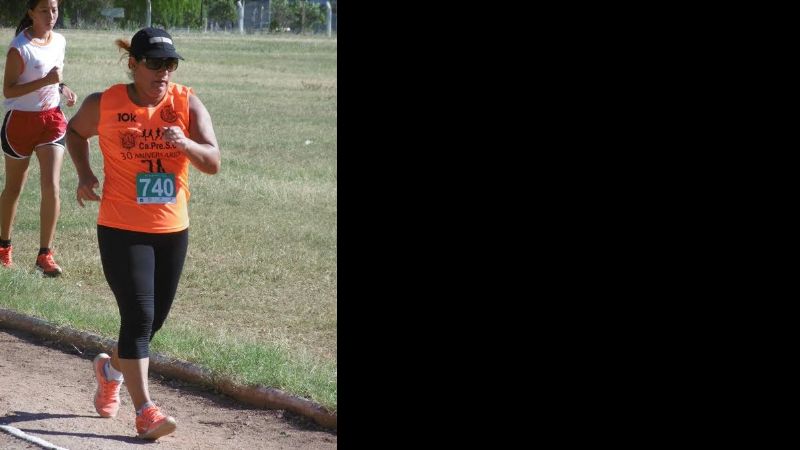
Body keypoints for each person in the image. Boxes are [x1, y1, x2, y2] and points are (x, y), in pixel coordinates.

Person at [65, 27, 221, 440]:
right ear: (132, 64)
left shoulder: (186, 102)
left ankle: (110, 369)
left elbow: (213, 161)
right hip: (120, 226)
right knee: (138, 316)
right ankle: (146, 411)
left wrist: (185, 143)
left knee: (152, 323)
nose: (163, 72)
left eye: (169, 64)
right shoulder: (105, 103)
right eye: (154, 63)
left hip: (172, 228)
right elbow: (74, 132)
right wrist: (84, 174)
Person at [0, 0, 77, 275]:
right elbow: (8, 91)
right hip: (19, 122)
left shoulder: (60, 41)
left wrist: (63, 88)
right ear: (31, 12)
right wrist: (46, 82)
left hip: (52, 120)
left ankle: (45, 255)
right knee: (14, 189)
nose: (51, 15)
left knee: (52, 186)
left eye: (54, 10)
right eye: (44, 10)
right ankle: (4, 247)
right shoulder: (20, 48)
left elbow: (54, 76)